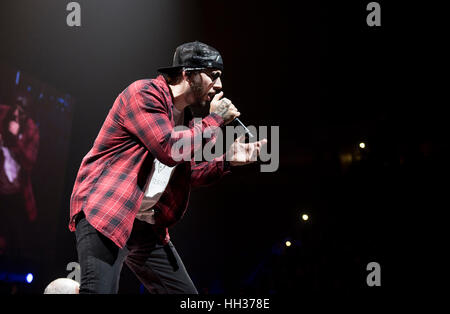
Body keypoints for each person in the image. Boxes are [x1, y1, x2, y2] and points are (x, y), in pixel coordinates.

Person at [69, 41, 266, 294]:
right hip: (109, 210)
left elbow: (188, 173)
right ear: (188, 73)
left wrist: (228, 158)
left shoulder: (189, 119)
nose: (219, 86)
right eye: (213, 75)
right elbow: (169, 148)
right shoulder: (143, 94)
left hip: (145, 226)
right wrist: (215, 119)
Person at [0, 96, 39, 256]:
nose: (15, 114)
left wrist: (14, 139)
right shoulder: (3, 113)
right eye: (14, 109)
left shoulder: (31, 130)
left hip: (15, 192)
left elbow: (30, 162)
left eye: (20, 112)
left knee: (15, 237)